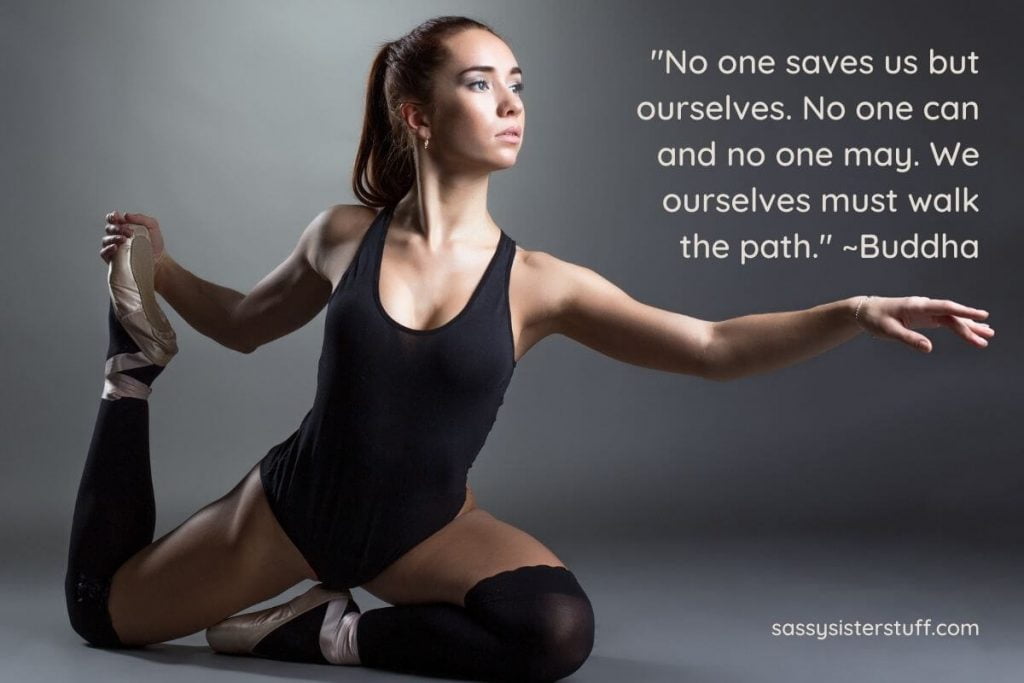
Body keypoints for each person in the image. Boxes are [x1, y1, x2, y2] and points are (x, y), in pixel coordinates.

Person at [65, 15, 995, 683]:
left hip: (427, 530)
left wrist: (855, 307)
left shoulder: (542, 283)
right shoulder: (342, 235)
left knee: (553, 632)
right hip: (292, 508)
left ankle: (319, 636)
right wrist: (162, 274)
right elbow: (243, 324)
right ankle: (129, 375)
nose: (511, 103)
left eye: (517, 85)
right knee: (100, 617)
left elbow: (709, 345)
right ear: (418, 117)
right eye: (481, 83)